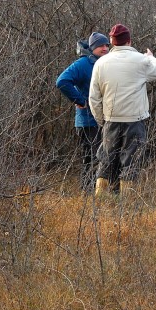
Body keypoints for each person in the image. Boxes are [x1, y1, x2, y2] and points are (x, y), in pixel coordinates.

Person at [89, 23, 156, 197]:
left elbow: (94, 98)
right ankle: (128, 204)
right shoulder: (141, 60)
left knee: (106, 160)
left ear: (111, 41)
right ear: (129, 40)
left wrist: (102, 120)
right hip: (134, 120)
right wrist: (151, 57)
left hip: (110, 119)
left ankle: (101, 201)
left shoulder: (101, 63)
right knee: (132, 161)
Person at [55, 32, 110, 192]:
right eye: (101, 46)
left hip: (103, 120)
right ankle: (88, 196)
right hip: (87, 122)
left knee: (102, 159)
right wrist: (80, 100)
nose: (105, 48)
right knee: (91, 160)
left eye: (107, 45)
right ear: (92, 48)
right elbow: (62, 81)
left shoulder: (104, 63)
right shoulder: (83, 63)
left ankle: (99, 194)